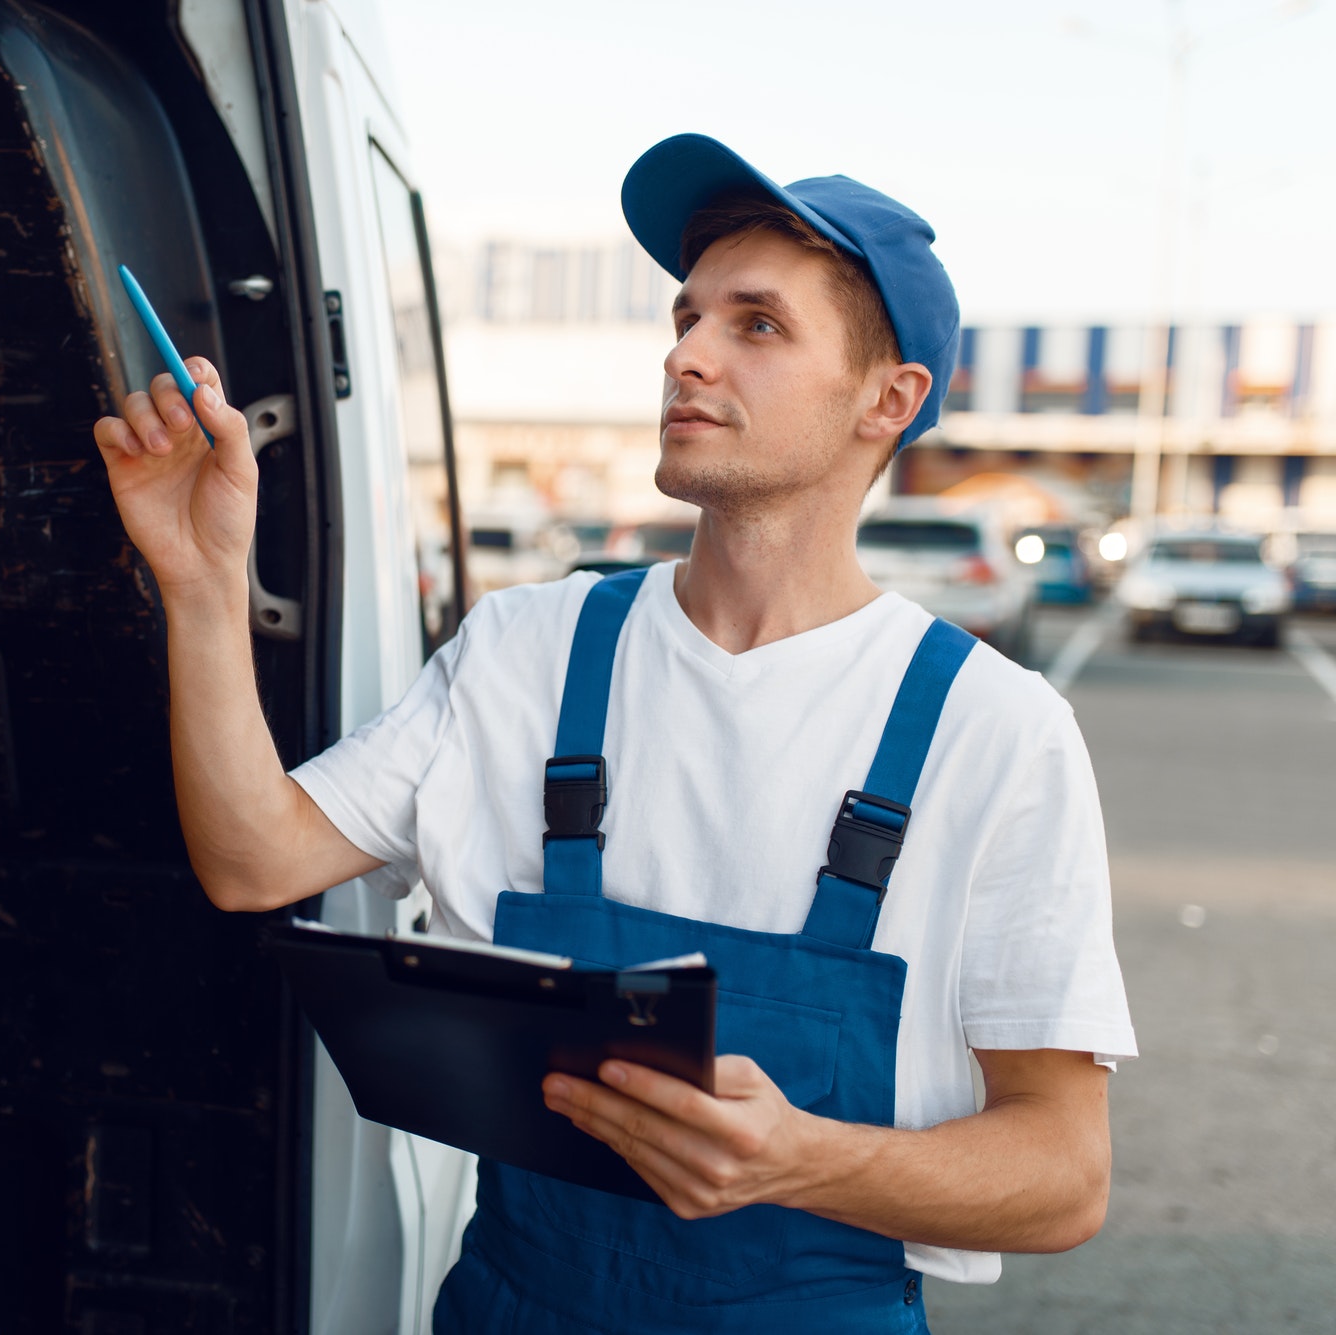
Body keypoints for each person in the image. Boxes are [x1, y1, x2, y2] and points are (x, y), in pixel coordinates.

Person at [92, 133, 1135, 1333]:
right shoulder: (528, 651)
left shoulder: (990, 732)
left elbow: (1062, 1175)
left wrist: (799, 1158)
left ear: (885, 400)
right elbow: (251, 858)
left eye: (755, 326)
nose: (683, 354)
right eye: (685, 317)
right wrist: (203, 580)